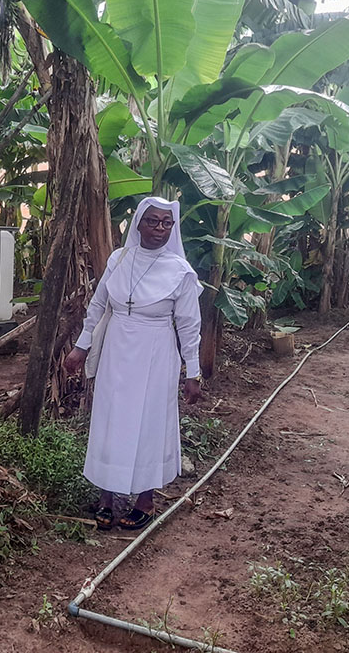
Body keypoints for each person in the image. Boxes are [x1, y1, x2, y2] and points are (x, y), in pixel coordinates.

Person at [64, 196, 203, 531]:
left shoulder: (180, 272)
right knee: (112, 419)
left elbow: (189, 325)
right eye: (152, 221)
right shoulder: (119, 259)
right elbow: (97, 306)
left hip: (156, 352)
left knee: (149, 421)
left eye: (166, 223)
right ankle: (106, 497)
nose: (159, 228)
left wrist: (193, 372)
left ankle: (145, 499)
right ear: (138, 223)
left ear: (173, 227)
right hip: (116, 349)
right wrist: (81, 347)